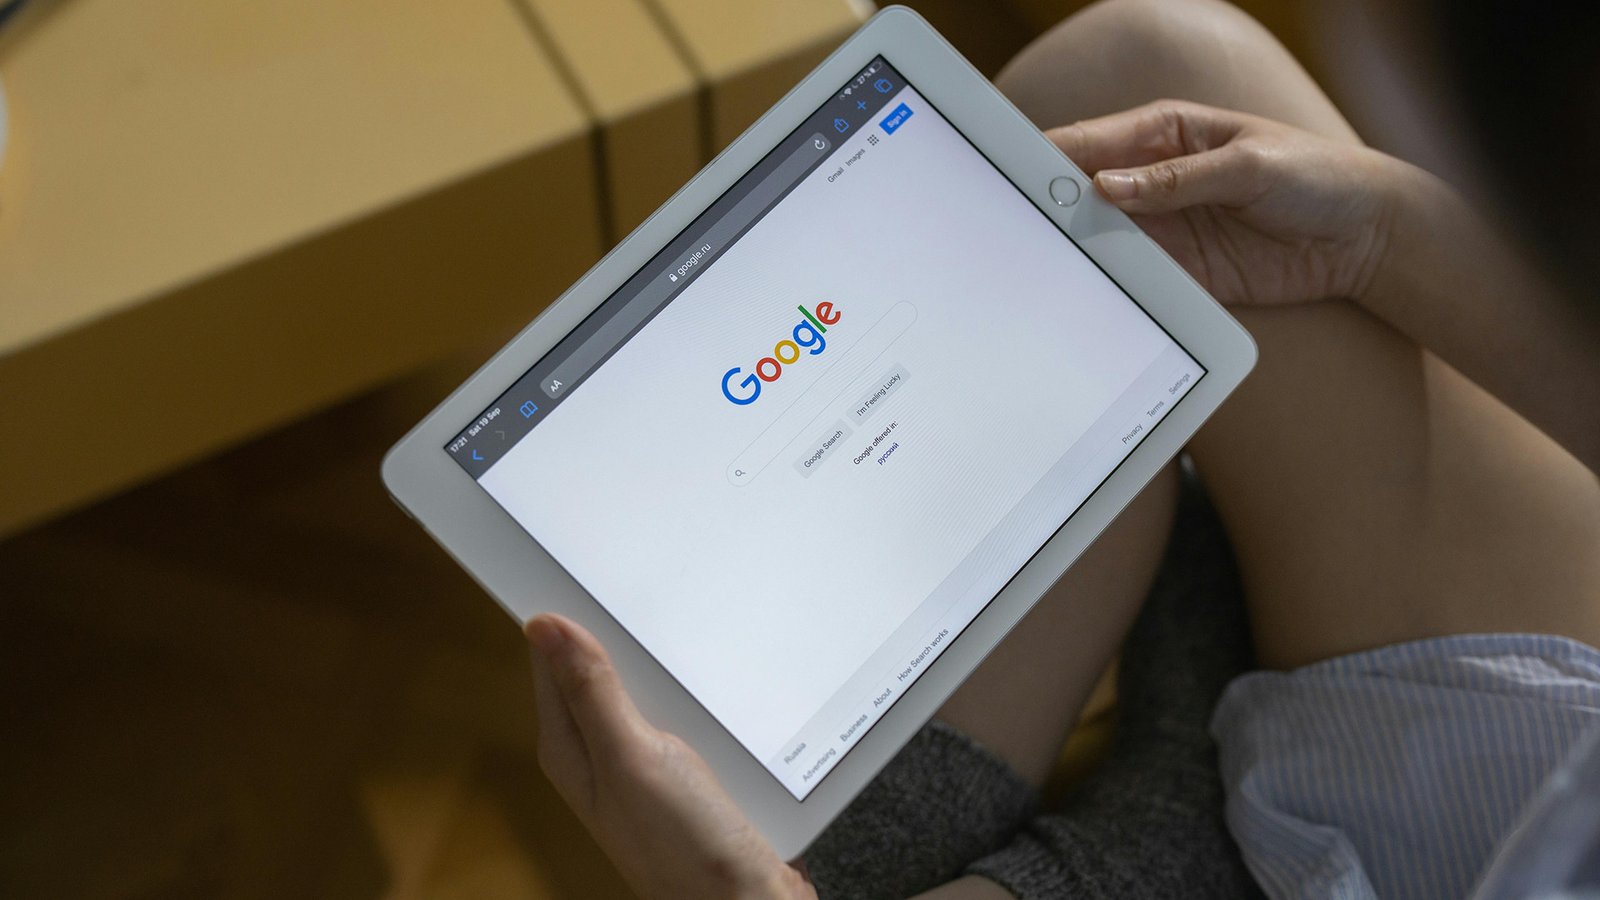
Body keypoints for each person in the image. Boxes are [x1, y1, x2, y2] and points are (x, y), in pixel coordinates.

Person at [522, 0, 1600, 897]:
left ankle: (1176, 818)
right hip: (1523, 756)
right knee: (1142, 86)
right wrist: (1384, 234)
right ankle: (1189, 796)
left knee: (745, 814)